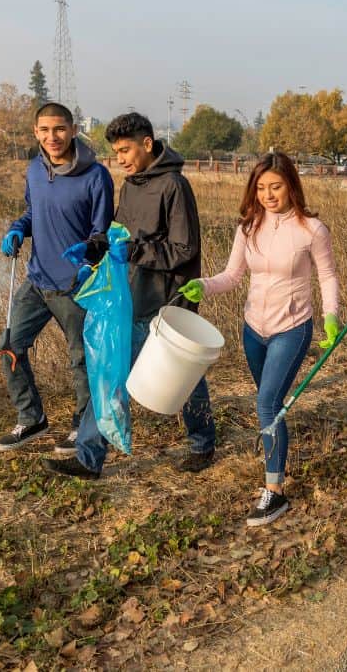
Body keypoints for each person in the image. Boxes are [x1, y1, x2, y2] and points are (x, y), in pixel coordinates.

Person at [42, 112, 216, 479]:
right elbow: (120, 233)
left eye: (125, 150)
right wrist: (94, 248)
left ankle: (202, 443)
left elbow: (184, 249)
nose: (119, 159)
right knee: (109, 371)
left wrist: (135, 253)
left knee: (185, 375)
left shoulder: (174, 186)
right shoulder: (131, 185)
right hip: (131, 296)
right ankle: (89, 456)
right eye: (116, 152)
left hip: (168, 301)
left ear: (147, 144)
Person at [178, 151, 339, 527]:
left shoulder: (312, 230)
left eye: (276, 186)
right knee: (270, 403)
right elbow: (233, 276)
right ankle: (274, 450)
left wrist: (331, 318)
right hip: (253, 329)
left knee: (267, 404)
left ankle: (275, 491)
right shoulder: (248, 227)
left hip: (292, 327)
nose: (269, 194)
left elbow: (328, 277)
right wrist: (202, 285)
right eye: (262, 187)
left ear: (291, 186)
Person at [0, 102, 114, 453]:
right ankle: (31, 419)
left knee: (81, 359)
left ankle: (84, 427)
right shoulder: (35, 170)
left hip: (75, 285)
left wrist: (87, 260)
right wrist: (18, 229)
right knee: (10, 348)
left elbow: (102, 232)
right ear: (36, 133)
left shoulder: (96, 176)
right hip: (37, 279)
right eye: (45, 130)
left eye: (60, 129)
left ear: (73, 130)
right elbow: (34, 211)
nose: (53, 137)